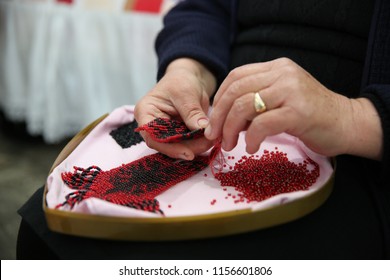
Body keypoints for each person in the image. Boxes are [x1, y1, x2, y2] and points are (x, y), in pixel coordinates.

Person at [17, 0, 390, 259]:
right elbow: (206, 8)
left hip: (361, 159)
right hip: (223, 119)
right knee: (44, 235)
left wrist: (352, 118)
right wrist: (187, 71)